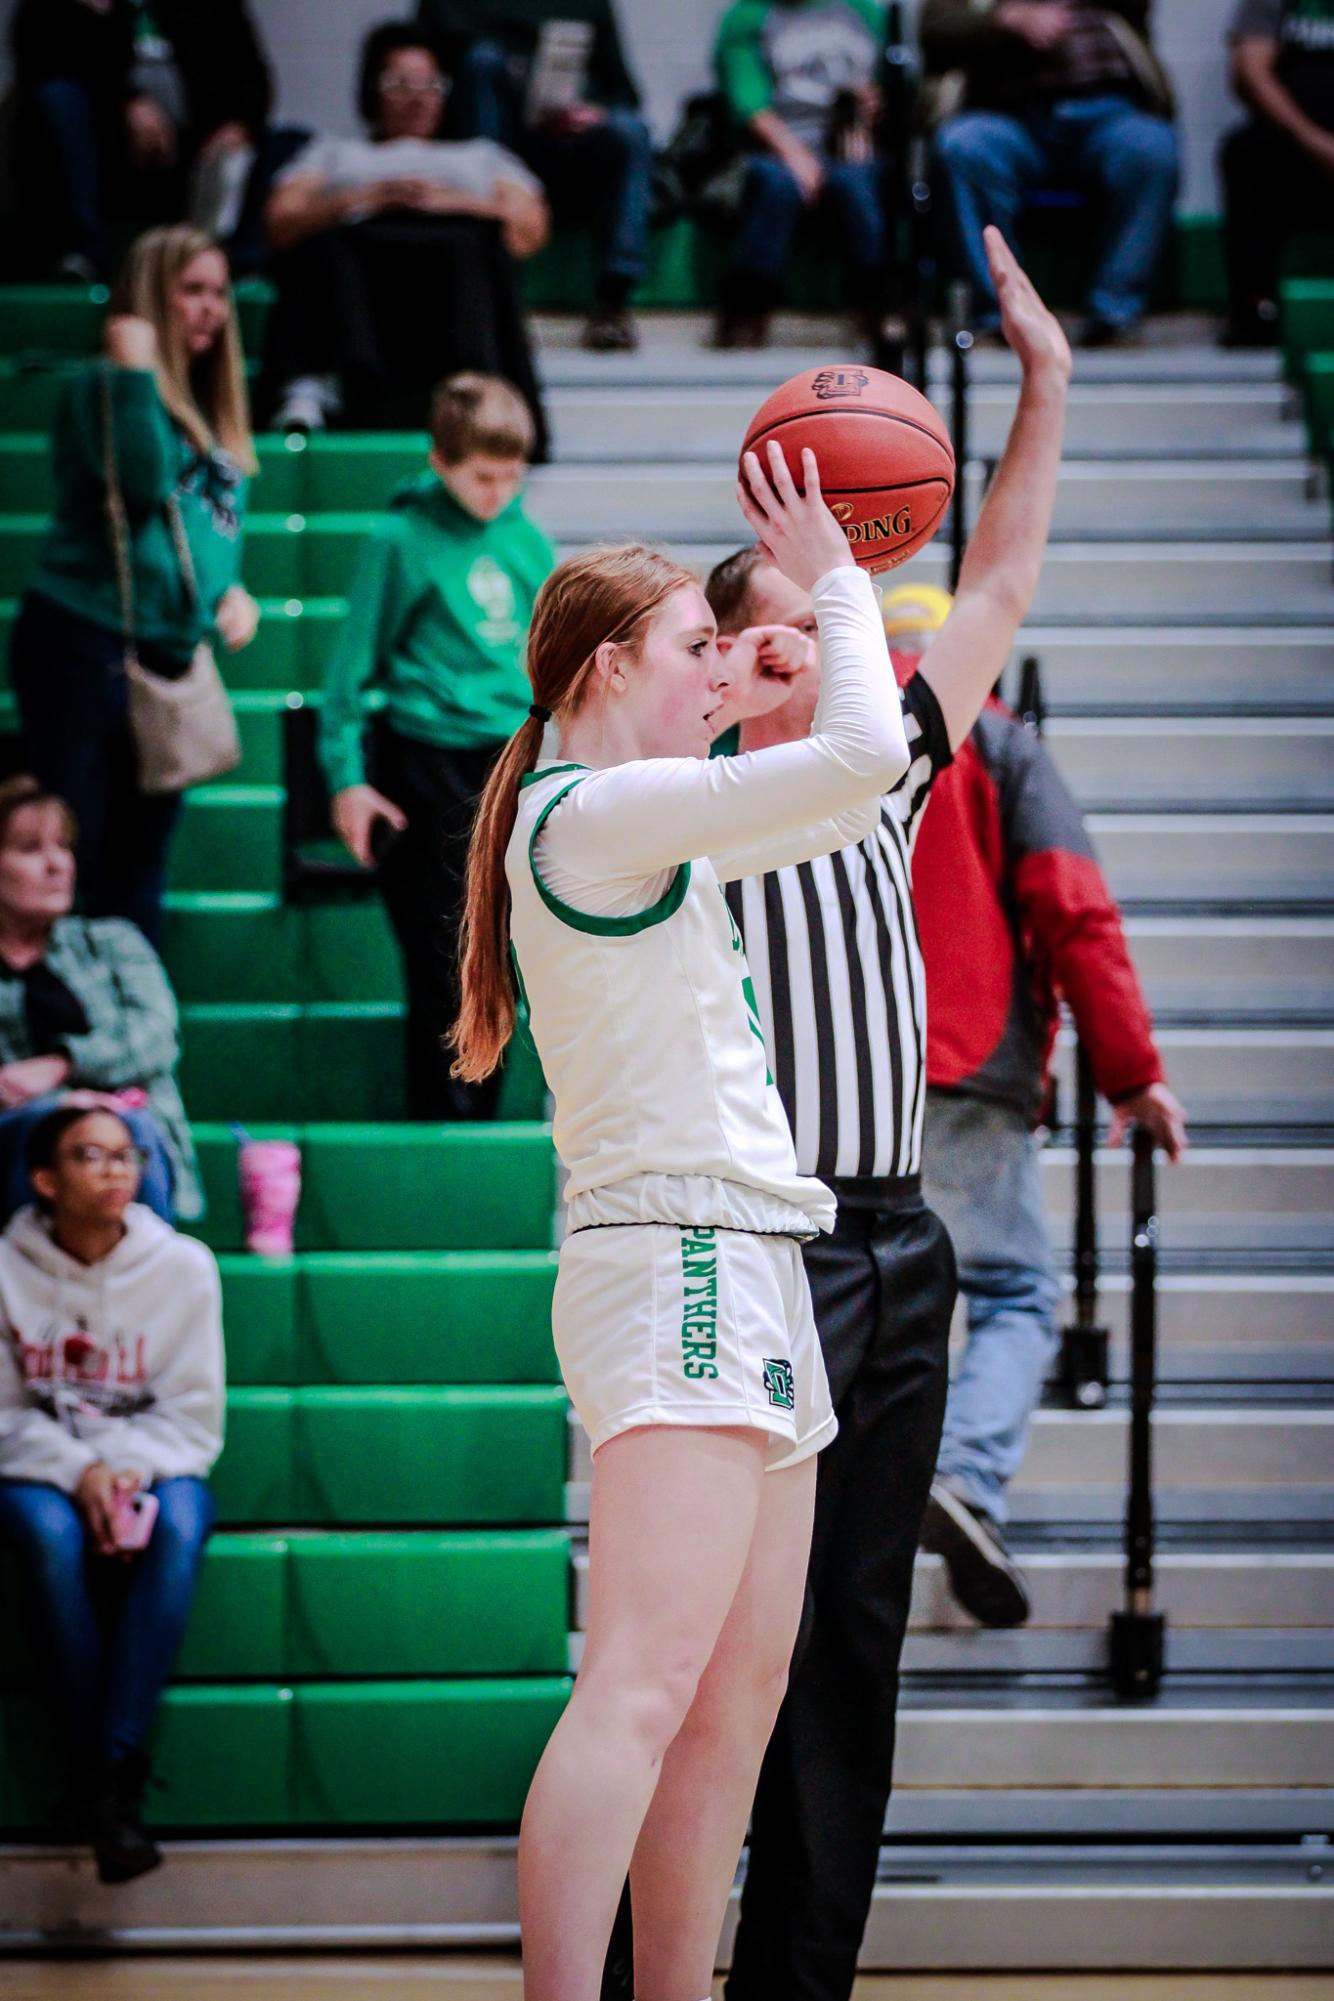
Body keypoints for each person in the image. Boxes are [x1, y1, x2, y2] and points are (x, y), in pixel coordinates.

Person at [597, 226, 1071, 2001]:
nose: (809, 652)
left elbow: (1003, 578)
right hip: (751, 1245)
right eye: (773, 635)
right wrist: (770, 599)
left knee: (843, 1660)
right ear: (718, 665)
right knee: (705, 1665)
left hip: (893, 1244)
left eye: (826, 631)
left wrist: (1042, 381)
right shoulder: (671, 807)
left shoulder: (879, 781)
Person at [449, 423, 913, 1985]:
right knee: (640, 1685)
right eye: (695, 650)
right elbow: (861, 757)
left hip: (750, 1256)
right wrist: (841, 591)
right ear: (598, 669)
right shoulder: (587, 813)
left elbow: (847, 792)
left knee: (734, 1692)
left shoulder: (644, 815)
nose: (719, 674)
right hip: (678, 1257)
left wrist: (780, 649)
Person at [870, 583, 1188, 1628]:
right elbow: (1075, 914)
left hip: (833, 1082)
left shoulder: (827, 751)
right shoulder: (1001, 748)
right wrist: (1131, 1072)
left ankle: (839, 1509)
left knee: (857, 1301)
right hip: (967, 1072)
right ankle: (960, 1474)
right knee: (1008, 1292)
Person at [9, 225, 259, 950]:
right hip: (84, 642)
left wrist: (231, 593)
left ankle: (126, 1043)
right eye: (192, 291)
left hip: (165, 659)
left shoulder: (214, 412)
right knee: (69, 862)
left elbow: (210, 535)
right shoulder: (105, 386)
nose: (211, 308)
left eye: (219, 292)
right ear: (151, 297)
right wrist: (133, 371)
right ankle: (53, 1038)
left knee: (139, 867)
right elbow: (144, 485)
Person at [321, 374, 556, 1122]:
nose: (497, 492)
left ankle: (485, 1127)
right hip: (423, 763)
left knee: (505, 951)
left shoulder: (525, 538)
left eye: (512, 475)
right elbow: (347, 676)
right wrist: (346, 778)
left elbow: (551, 662)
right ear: (440, 460)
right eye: (482, 476)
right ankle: (446, 1125)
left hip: (508, 761)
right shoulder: (399, 539)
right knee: (442, 960)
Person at [0, 1103, 223, 1885]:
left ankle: (108, 1771)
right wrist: (80, 1471)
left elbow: (195, 1419)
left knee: (180, 1521)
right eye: (89, 1154)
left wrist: (122, 1467)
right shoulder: (3, 1265)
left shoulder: (185, 1267)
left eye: (127, 1154)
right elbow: (2, 1415)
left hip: (154, 1462)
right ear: (43, 1178)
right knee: (48, 1535)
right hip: (36, 1464)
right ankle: (107, 1784)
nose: (115, 1168)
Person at [260, 22, 550, 439]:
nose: (417, 98)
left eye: (430, 84)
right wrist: (367, 198)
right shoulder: (335, 153)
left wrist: (452, 202)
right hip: (353, 278)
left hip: (454, 282)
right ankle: (310, 389)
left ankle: (481, 393)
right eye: (400, 83)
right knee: (320, 244)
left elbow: (529, 231)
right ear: (371, 90)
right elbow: (280, 224)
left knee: (477, 246)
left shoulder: (479, 157)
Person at [0, 777, 201, 1230]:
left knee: (127, 1133)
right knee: (39, 1126)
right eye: (30, 849)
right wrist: (64, 1103)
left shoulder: (113, 943)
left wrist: (61, 1066)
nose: (56, 865)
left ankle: (144, 1288)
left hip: (130, 1126)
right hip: (18, 1142)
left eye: (63, 847)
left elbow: (157, 1037)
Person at [921, 0, 1179, 345]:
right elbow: (935, 28)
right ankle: (998, 316)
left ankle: (1115, 313)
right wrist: (1006, 18)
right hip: (1006, 113)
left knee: (1152, 148)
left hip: (1106, 111)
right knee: (963, 147)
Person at [420, 0, 654, 352]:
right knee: (483, 62)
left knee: (629, 131)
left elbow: (624, 93)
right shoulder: (451, 9)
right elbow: (418, 79)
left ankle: (613, 301)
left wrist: (591, 112)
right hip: (489, 152)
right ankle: (497, 292)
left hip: (567, 149)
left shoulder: (590, 7)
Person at [11, 0, 274, 282]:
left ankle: (234, 269)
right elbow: (38, 59)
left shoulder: (212, 9)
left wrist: (237, 125)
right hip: (103, 138)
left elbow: (255, 79)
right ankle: (83, 255)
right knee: (57, 100)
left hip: (195, 144)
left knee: (278, 145)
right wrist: (124, 99)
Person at [712, 0, 890, 348]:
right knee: (775, 183)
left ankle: (874, 304)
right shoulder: (748, 17)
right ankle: (748, 306)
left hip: (848, 143)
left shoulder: (863, 12)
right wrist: (798, 158)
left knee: (857, 183)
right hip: (776, 144)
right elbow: (748, 104)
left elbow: (888, 84)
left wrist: (871, 109)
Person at [1219, 0, 1334, 348]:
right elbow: (1251, 70)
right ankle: (1256, 308)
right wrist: (1314, 140)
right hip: (1295, 139)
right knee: (1245, 152)